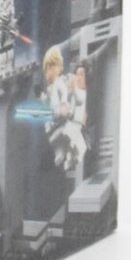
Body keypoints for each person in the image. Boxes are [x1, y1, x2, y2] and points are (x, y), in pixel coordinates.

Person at [42, 45, 88, 179]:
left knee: (67, 136)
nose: (46, 74)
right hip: (55, 124)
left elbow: (65, 98)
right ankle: (62, 153)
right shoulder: (51, 88)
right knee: (58, 139)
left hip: (62, 121)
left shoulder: (60, 83)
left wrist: (63, 108)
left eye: (48, 69)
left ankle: (69, 156)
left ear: (56, 67)